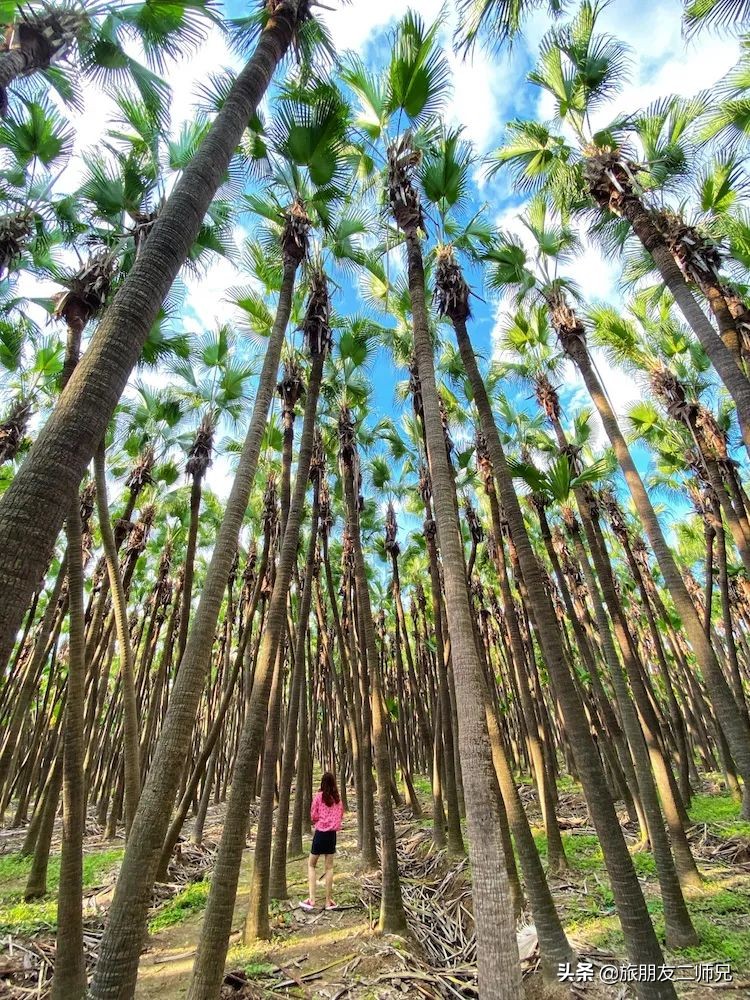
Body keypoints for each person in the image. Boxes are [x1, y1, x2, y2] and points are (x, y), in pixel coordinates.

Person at [299, 772, 344, 911]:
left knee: (311, 864)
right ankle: (328, 901)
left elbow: (313, 815)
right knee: (329, 868)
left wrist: (320, 821)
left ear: (322, 783)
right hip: (332, 836)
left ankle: (311, 899)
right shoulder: (337, 800)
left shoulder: (319, 797)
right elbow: (341, 815)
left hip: (320, 834)